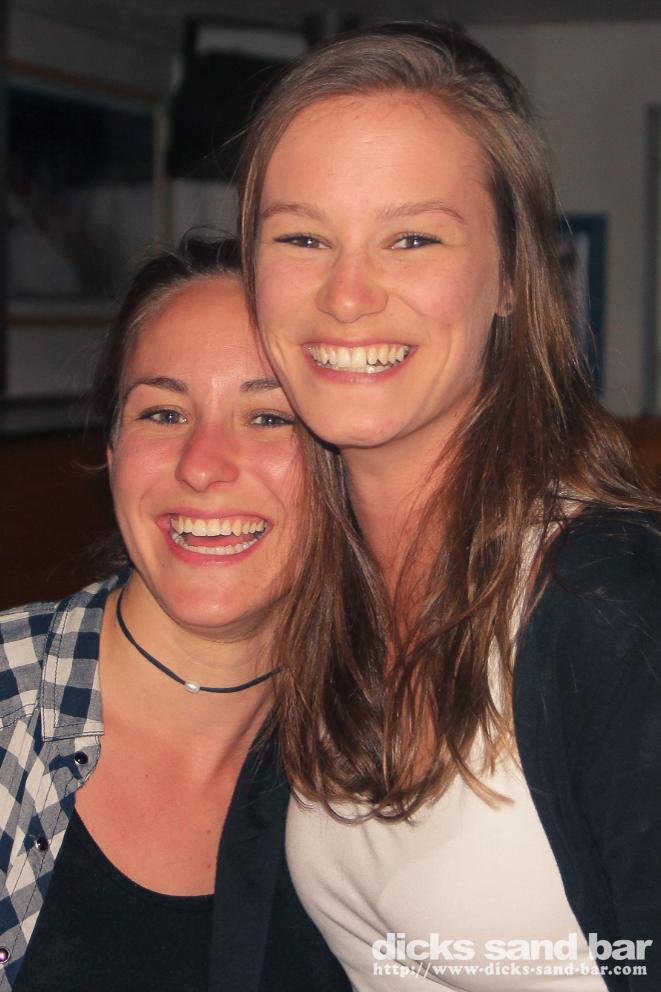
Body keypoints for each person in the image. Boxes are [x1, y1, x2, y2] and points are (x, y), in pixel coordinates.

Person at [238, 22, 661, 992]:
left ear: (511, 276)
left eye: (412, 237)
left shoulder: (611, 606)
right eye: (302, 237)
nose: (346, 295)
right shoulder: (311, 589)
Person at [0, 236, 350, 992]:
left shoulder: (397, 744)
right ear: (112, 450)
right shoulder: (7, 709)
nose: (202, 464)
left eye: (269, 416)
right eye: (162, 412)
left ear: (349, 459)